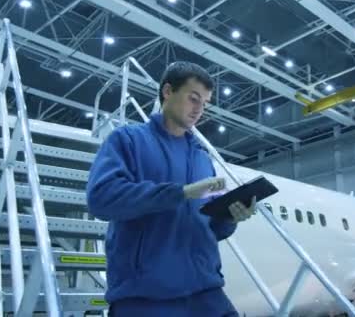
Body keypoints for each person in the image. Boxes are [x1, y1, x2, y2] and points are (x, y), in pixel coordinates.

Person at [86, 61, 255, 316]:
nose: (199, 110)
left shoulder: (202, 159)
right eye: (194, 99)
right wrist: (182, 192)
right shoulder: (127, 140)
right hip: (146, 297)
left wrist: (230, 217)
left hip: (206, 292)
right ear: (167, 91)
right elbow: (101, 198)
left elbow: (211, 228)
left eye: (205, 103)